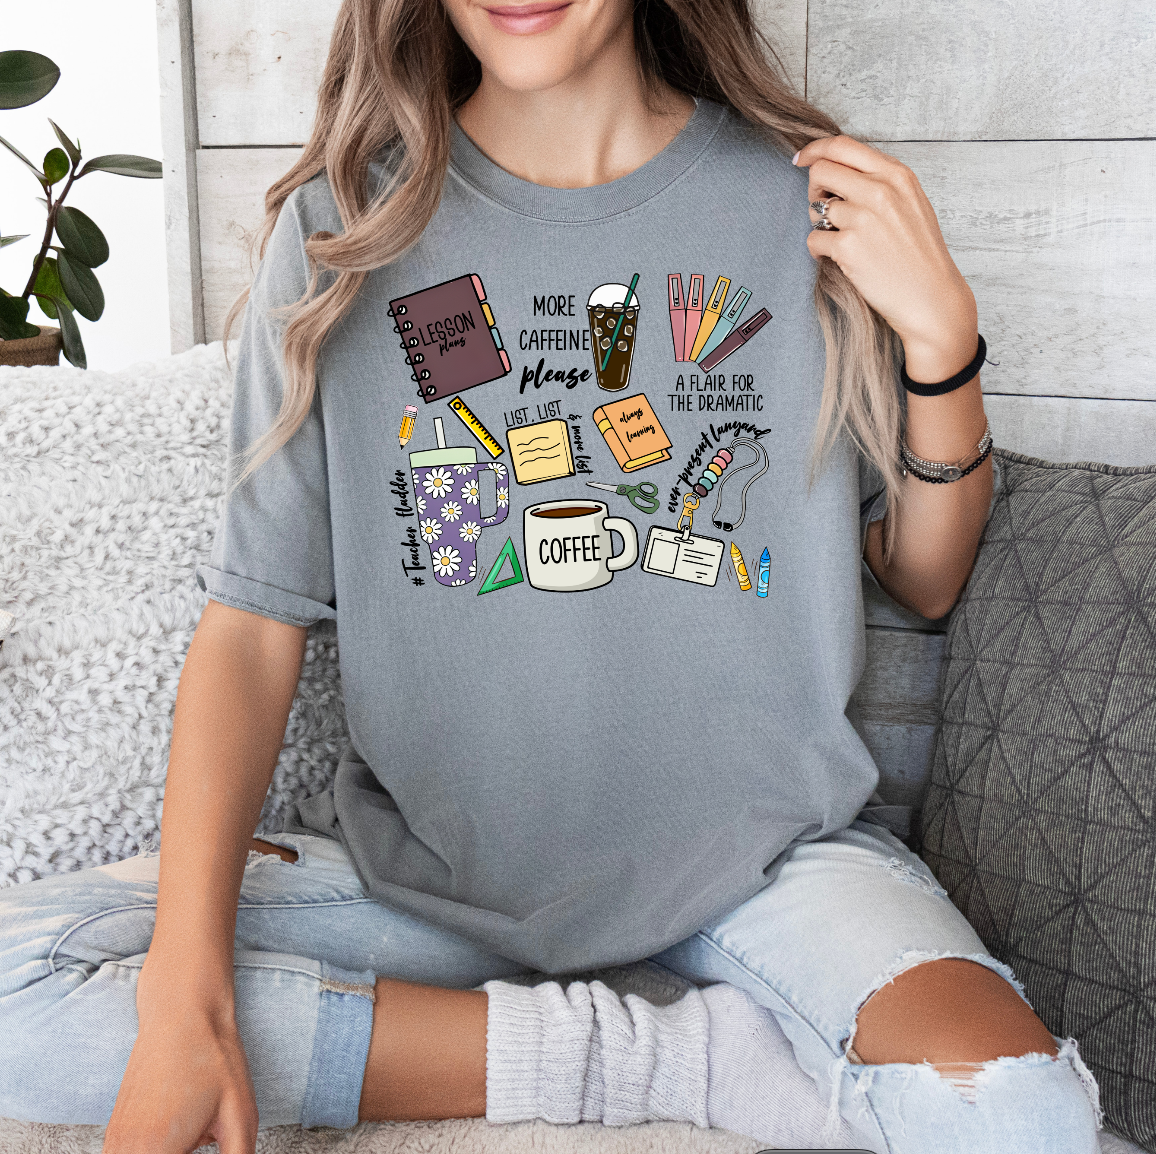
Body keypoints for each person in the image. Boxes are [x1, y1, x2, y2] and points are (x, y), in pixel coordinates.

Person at [0, 1, 1103, 1152]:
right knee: (15, 983)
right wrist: (188, 999)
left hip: (763, 867)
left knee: (1020, 1111)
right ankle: (673, 1060)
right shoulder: (350, 229)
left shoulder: (797, 206)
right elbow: (251, 623)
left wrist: (942, 339)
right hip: (430, 884)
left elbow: (924, 575)